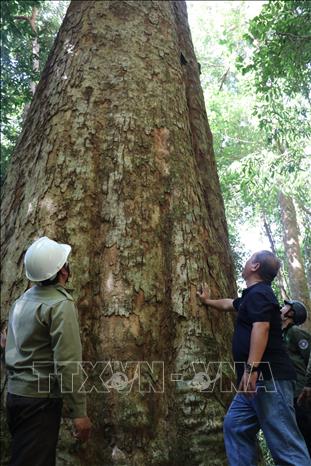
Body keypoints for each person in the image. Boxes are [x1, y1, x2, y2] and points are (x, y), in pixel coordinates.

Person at [197, 250, 310, 466]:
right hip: (254, 383)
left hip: (268, 378)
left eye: (249, 259)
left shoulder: (261, 294)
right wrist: (208, 301)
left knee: (286, 444)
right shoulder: (253, 296)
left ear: (255, 266)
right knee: (235, 425)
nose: (246, 262)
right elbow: (230, 304)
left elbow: (262, 327)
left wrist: (251, 369)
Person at [5, 236, 92, 466]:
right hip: (39, 404)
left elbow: (9, 343)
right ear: (63, 271)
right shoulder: (60, 305)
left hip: (15, 397)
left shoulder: (21, 301)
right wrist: (79, 412)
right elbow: (68, 362)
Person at [281, 299, 311, 455]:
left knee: (306, 435)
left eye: (285, 306)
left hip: (300, 395)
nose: (281, 307)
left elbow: (309, 357)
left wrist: (308, 385)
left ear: (290, 313)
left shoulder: (295, 333)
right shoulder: (281, 334)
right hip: (288, 394)